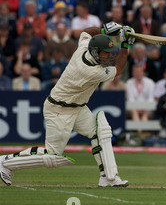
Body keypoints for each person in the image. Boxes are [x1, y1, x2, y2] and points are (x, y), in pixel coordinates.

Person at [0, 22, 135, 187]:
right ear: (95, 52)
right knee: (52, 155)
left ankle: (108, 177)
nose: (109, 56)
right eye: (105, 53)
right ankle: (5, 162)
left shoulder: (84, 48)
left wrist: (104, 30)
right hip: (59, 110)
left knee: (100, 132)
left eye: (109, 53)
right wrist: (125, 44)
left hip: (77, 108)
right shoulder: (92, 71)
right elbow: (119, 69)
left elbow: (86, 32)